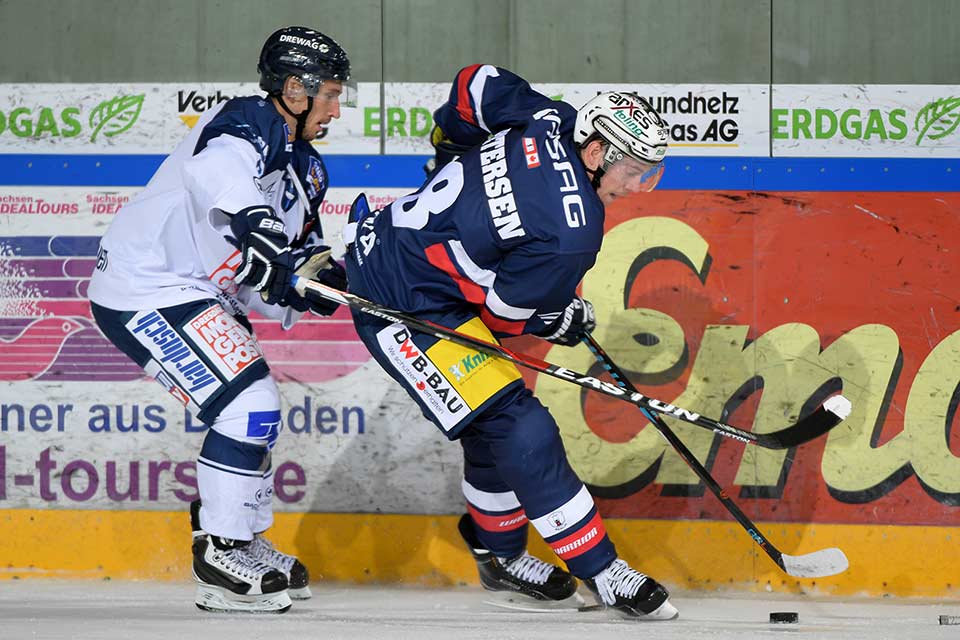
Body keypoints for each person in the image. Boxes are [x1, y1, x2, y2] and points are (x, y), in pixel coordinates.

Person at [339, 64, 677, 619]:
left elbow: (476, 80)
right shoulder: (574, 233)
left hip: (396, 247)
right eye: (636, 170)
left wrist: (452, 144)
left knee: (488, 421)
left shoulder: (548, 119)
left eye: (652, 173)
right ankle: (601, 570)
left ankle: (499, 558)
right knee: (517, 423)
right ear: (594, 153)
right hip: (403, 303)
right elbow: (502, 316)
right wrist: (557, 318)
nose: (641, 186)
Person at [86, 26, 354, 614]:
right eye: (330, 94)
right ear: (293, 89)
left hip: (200, 293)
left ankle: (240, 539)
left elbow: (281, 278)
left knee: (257, 410)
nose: (338, 108)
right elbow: (218, 173)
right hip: (145, 284)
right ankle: (220, 552)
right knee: (249, 405)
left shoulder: (308, 174)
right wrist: (256, 224)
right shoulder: (247, 122)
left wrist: (313, 288)